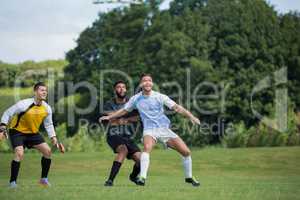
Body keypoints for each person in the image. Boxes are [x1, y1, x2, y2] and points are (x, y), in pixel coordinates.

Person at [100, 74, 201, 187]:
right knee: (147, 148)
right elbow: (123, 110)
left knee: (186, 152)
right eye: (144, 81)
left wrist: (191, 116)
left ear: (152, 83)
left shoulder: (160, 96)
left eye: (149, 80)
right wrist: (109, 117)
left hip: (164, 129)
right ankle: (142, 177)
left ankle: (189, 177)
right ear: (141, 84)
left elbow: (177, 107)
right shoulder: (136, 99)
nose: (147, 82)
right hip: (149, 130)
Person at [0, 82, 59, 188]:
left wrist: (53, 137)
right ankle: (12, 182)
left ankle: (43, 180)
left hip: (33, 133)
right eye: (42, 90)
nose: (44, 92)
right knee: (19, 153)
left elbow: (49, 124)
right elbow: (7, 113)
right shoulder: (23, 104)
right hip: (17, 132)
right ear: (35, 92)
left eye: (45, 90)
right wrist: (3, 127)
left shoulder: (47, 108)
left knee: (48, 152)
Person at [101, 81, 141, 186]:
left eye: (123, 87)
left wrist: (124, 119)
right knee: (123, 150)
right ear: (115, 90)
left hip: (128, 137)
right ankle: (110, 180)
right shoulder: (109, 104)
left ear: (126, 89)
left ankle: (133, 177)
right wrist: (124, 117)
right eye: (119, 87)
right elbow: (109, 118)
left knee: (141, 160)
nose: (121, 89)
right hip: (113, 135)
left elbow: (138, 117)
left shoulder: (131, 103)